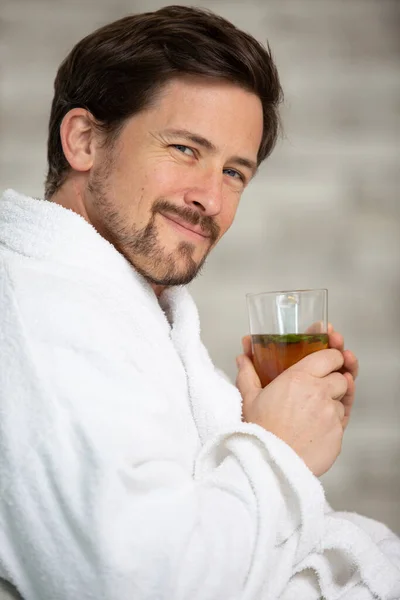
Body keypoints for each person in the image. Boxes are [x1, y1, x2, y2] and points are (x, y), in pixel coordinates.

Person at [0, 5, 399, 600]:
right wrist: (277, 451)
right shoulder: (41, 315)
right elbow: (143, 585)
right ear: (84, 140)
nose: (210, 198)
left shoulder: (128, 310)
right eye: (186, 149)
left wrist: (249, 426)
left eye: (236, 171)